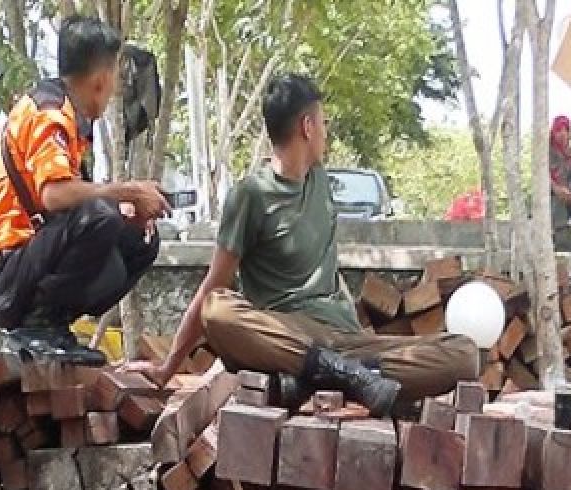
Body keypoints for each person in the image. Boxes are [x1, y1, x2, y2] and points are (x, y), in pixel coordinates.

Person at [143, 74, 479, 417]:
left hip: (346, 342)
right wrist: (167, 367)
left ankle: (328, 379)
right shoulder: (250, 196)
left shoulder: (320, 180)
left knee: (464, 352)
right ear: (307, 126)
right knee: (217, 309)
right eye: (324, 123)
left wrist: (355, 330)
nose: (326, 133)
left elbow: (329, 269)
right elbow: (213, 287)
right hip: (287, 336)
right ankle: (348, 378)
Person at [0, 16, 170, 365]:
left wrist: (130, 216)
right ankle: (39, 326)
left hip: (26, 263)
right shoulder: (50, 114)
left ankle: (55, 323)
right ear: (102, 79)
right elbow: (54, 197)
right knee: (100, 215)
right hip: (1, 276)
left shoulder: (73, 122)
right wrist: (128, 192)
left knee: (141, 240)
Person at [550, 115, 571, 228]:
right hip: (550, 197)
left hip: (567, 194)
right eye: (559, 130)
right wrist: (556, 188)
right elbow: (542, 177)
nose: (562, 134)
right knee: (556, 204)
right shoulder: (546, 152)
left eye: (566, 130)